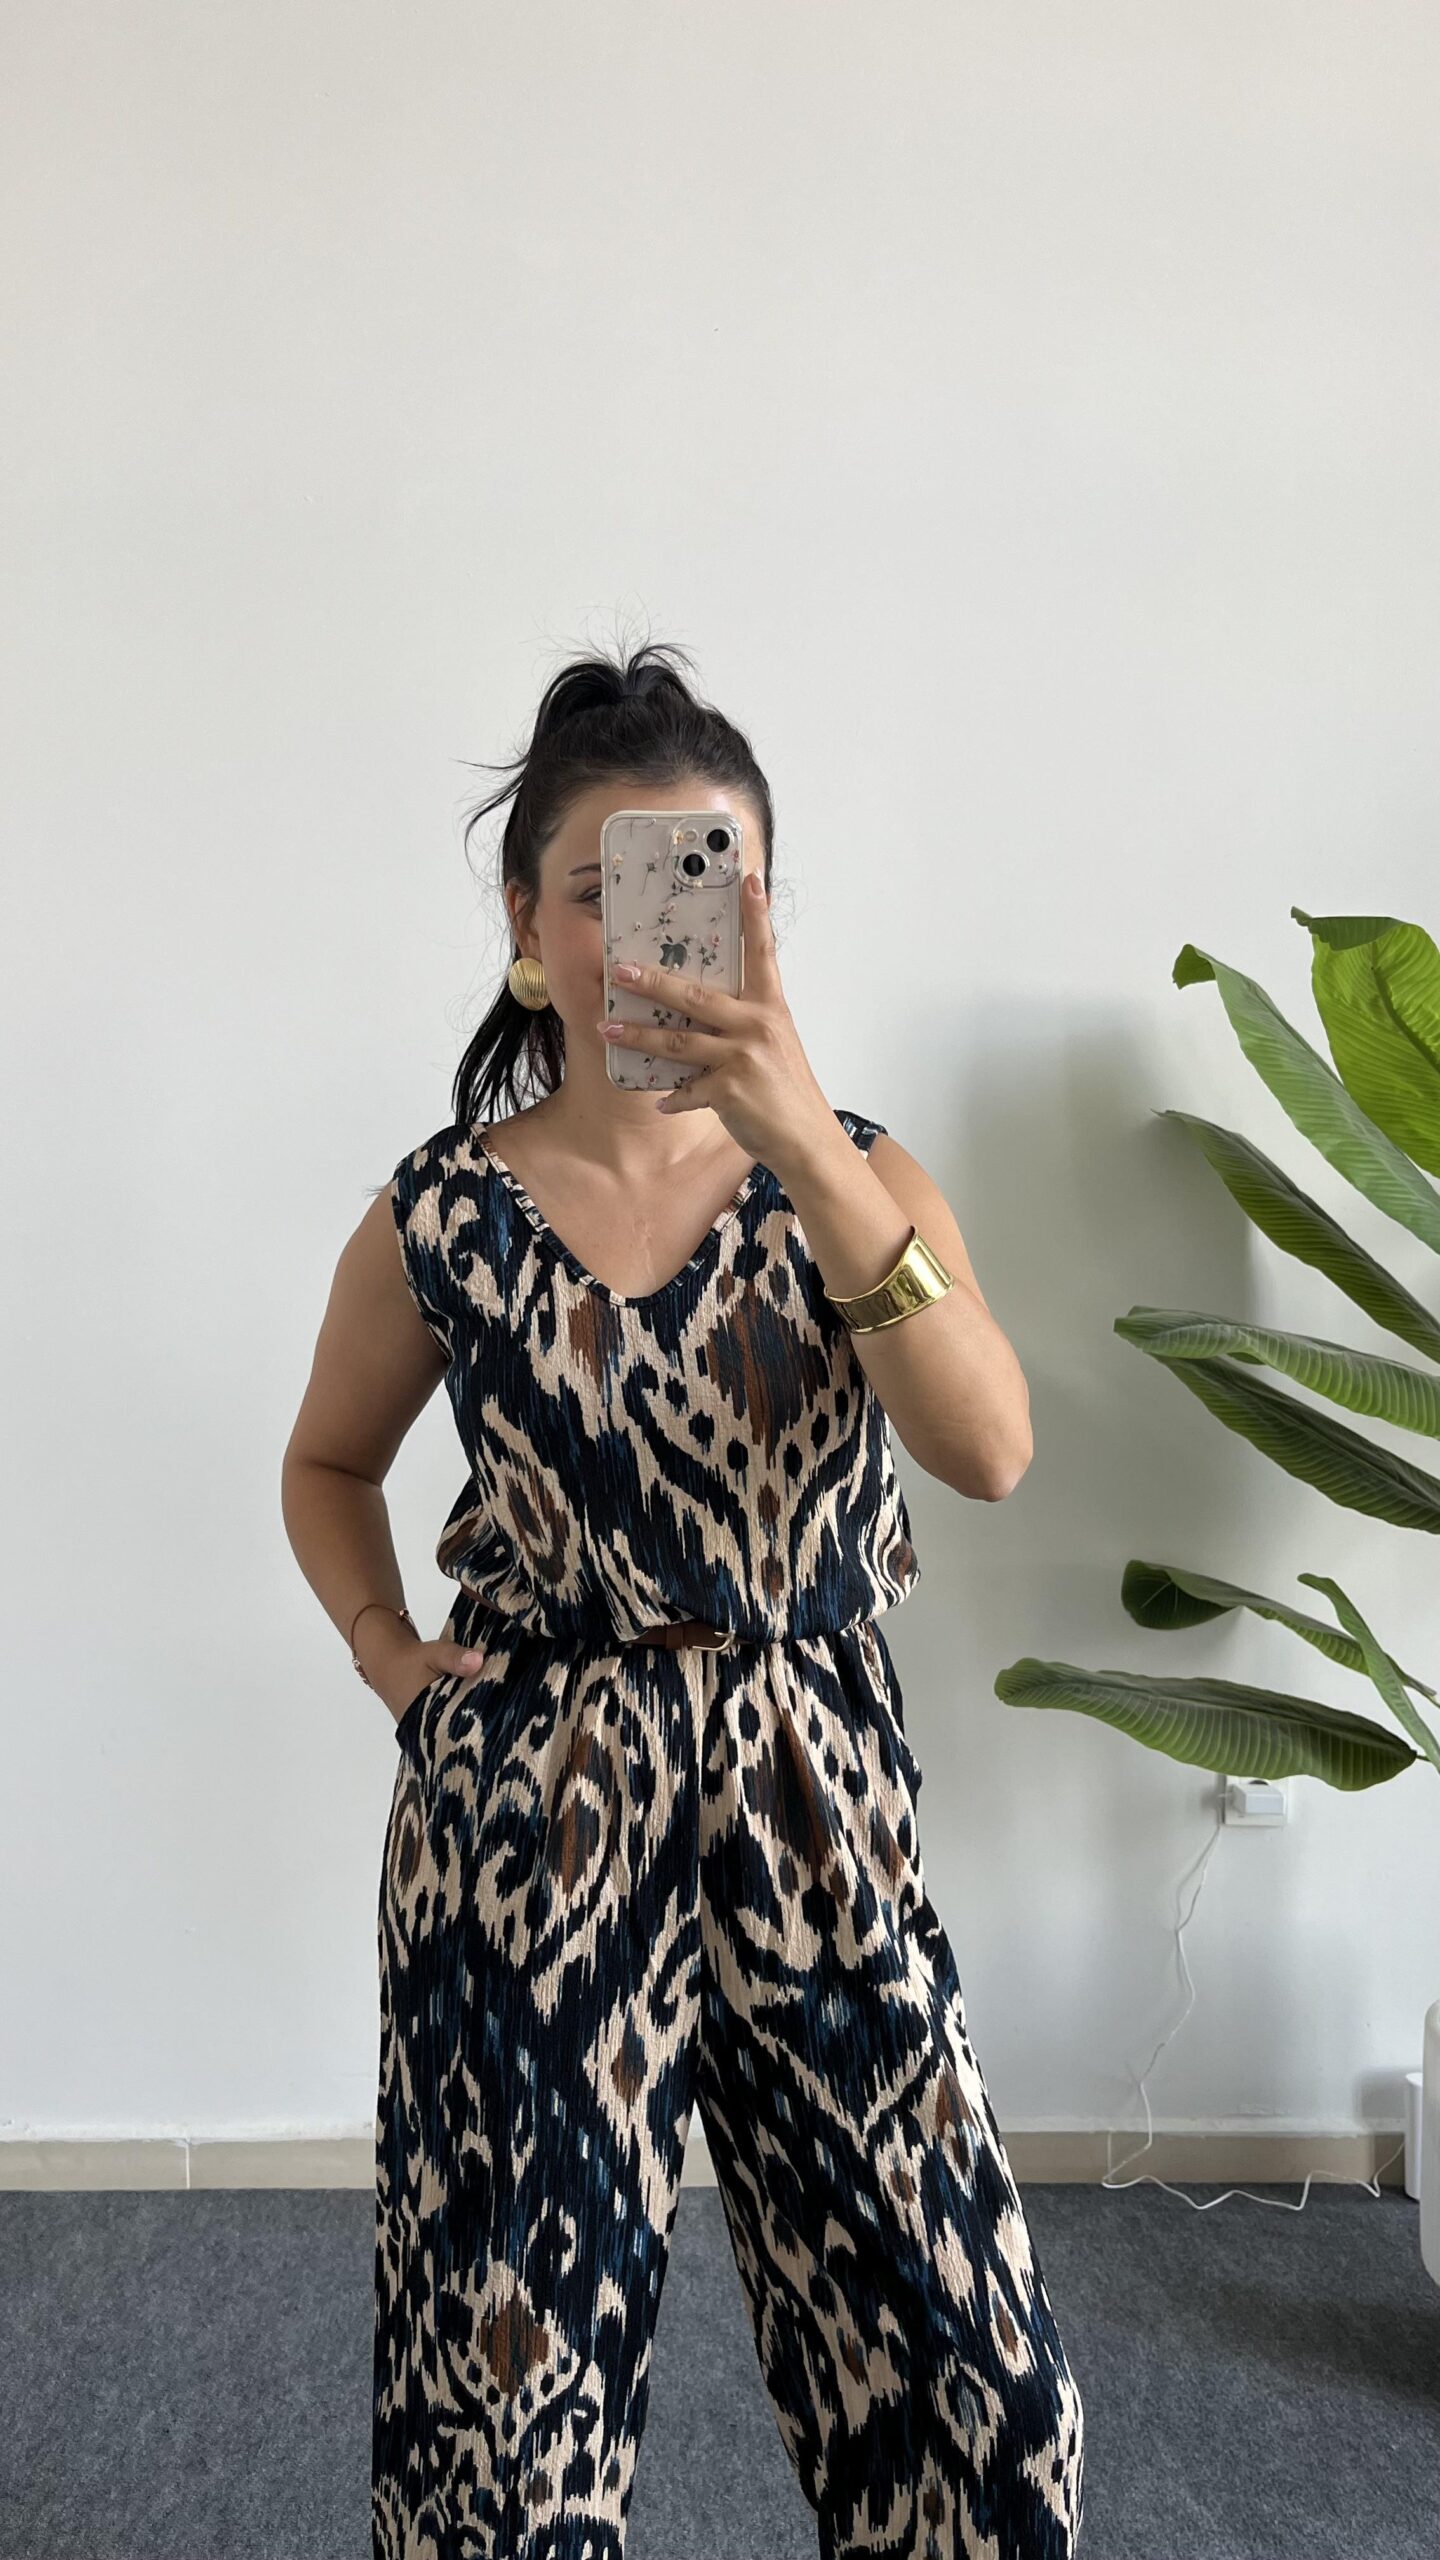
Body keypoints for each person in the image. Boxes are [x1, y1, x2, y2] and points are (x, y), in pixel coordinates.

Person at [281, 640, 1085, 2559]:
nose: (651, 930)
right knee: (506, 2410)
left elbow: (987, 1449)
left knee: (970, 2388)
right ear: (525, 924)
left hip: (813, 1797)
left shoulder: (858, 1178)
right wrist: (399, 1666)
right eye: (600, 887)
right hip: (530, 1817)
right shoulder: (442, 1214)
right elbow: (325, 1466)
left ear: (764, 914)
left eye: (715, 883)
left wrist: (803, 1142)